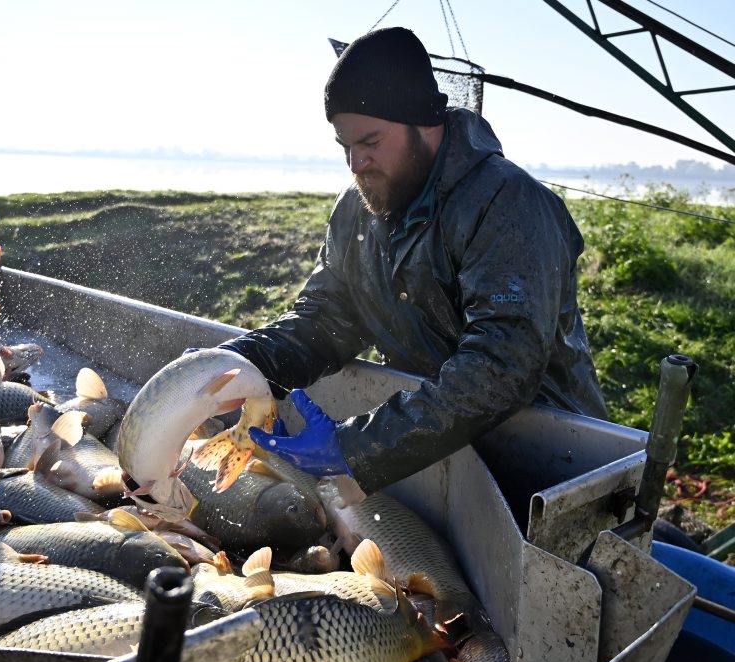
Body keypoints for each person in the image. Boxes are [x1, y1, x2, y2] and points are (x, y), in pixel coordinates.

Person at [216, 26, 608, 494]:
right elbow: (328, 321)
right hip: (432, 448)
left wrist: (360, 447)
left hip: (546, 462)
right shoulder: (356, 211)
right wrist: (243, 365)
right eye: (345, 146)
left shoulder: (507, 203)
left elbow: (502, 365)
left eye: (371, 142)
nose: (355, 164)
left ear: (425, 122)